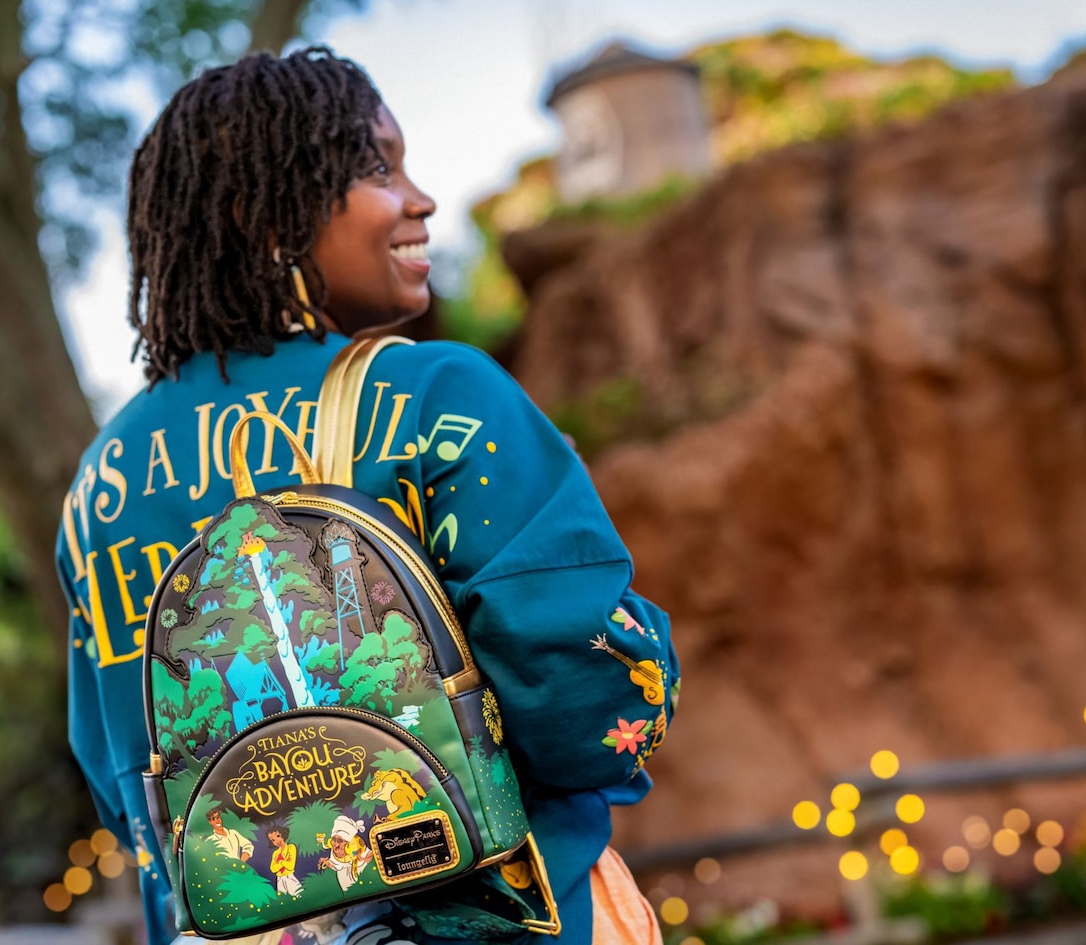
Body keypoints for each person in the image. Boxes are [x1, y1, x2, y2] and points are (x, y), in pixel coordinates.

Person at [57, 47, 678, 945]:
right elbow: (586, 685)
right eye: (378, 167)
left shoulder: (98, 487)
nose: (419, 199)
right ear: (264, 212)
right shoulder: (435, 398)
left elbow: (120, 776)